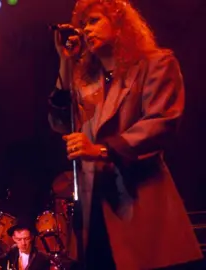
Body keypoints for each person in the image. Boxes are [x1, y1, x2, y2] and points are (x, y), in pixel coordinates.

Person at [48, 0, 203, 269]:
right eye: (83, 24)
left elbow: (162, 122)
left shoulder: (156, 63)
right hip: (93, 203)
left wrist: (101, 150)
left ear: (119, 24)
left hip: (137, 200)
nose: (86, 30)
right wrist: (65, 63)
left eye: (94, 21)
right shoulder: (87, 82)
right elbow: (61, 124)